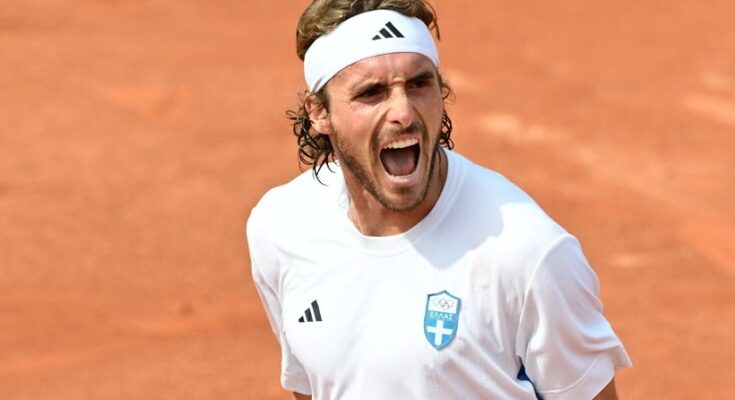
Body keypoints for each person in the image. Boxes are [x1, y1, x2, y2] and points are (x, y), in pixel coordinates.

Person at [247, 1, 632, 399]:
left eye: (418, 84)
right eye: (371, 92)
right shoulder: (280, 228)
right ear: (319, 113)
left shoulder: (527, 251)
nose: (403, 111)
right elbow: (315, 382)